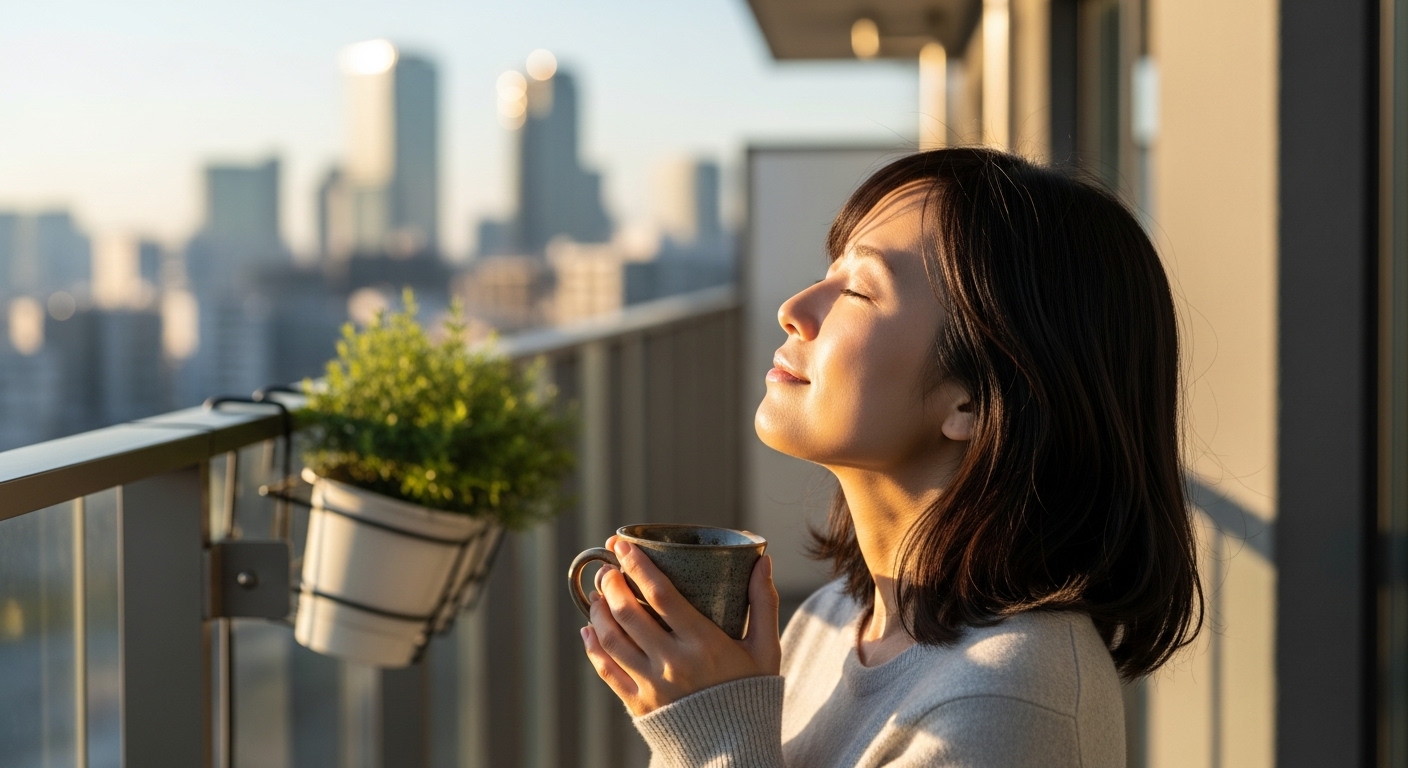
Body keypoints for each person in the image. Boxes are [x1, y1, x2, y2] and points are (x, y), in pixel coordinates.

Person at [577, 147, 1203, 767]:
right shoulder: (834, 619)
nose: (793, 310)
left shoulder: (1003, 700)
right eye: (830, 270)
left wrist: (710, 731)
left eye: (859, 290)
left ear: (977, 400)